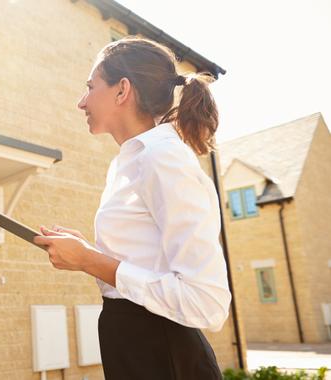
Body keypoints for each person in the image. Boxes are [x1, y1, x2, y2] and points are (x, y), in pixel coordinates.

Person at [33, 37, 231, 380]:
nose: (81, 102)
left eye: (90, 86)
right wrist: (88, 255)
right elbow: (142, 265)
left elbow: (206, 303)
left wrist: (89, 259)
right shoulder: (129, 162)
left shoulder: (162, 159)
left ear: (122, 90)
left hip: (165, 358)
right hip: (133, 348)